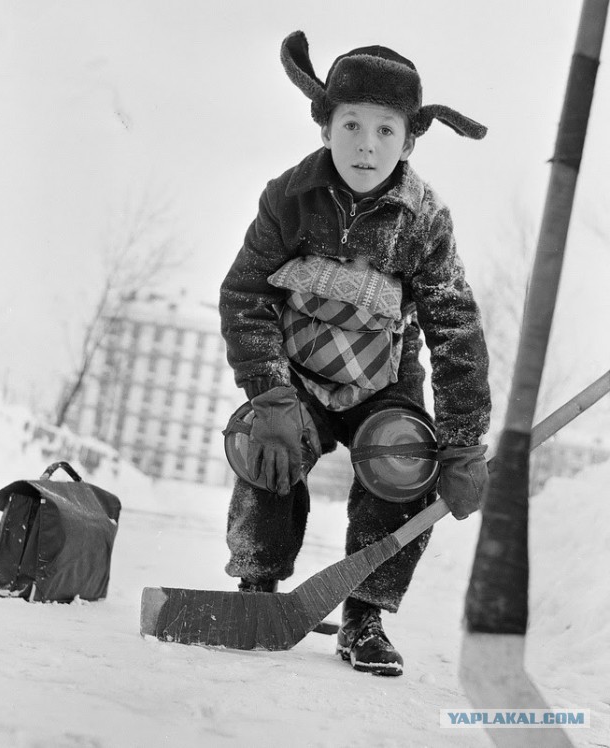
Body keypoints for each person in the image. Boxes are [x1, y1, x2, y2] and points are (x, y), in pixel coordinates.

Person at [219, 30, 491, 677]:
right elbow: (245, 293)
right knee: (267, 446)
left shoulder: (423, 219)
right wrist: (270, 391)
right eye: (351, 125)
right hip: (300, 379)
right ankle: (257, 588)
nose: (366, 144)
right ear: (325, 127)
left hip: (382, 383)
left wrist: (460, 442)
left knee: (406, 464)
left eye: (385, 131)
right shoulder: (288, 198)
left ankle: (364, 615)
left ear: (408, 139)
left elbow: (453, 327)